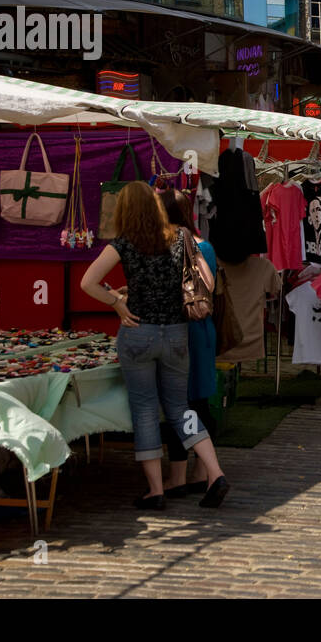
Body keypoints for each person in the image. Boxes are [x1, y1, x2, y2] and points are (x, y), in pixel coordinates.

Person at [80, 181, 229, 509]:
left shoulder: (123, 243)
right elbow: (208, 280)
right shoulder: (182, 237)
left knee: (146, 411)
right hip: (176, 333)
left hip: (138, 333)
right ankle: (215, 472)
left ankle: (156, 490)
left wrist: (117, 302)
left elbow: (87, 282)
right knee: (181, 408)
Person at [159, 188, 220, 497]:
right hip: (202, 326)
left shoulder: (166, 247)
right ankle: (202, 470)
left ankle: (178, 476)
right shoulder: (205, 247)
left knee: (177, 404)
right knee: (199, 402)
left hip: (180, 330)